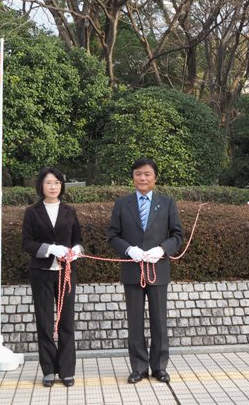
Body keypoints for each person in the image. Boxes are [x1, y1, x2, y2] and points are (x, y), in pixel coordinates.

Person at [107, 158, 183, 384]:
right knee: (135, 321)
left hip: (158, 270)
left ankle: (159, 367)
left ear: (155, 178)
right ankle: (139, 368)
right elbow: (113, 235)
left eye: (147, 174)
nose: (143, 178)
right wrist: (129, 250)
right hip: (132, 270)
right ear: (133, 177)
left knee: (159, 321)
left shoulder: (167, 203)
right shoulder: (122, 204)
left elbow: (177, 235)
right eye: (138, 174)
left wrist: (162, 249)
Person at [21, 167, 84, 388]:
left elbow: (78, 239)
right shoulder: (32, 212)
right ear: (41, 186)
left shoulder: (70, 211)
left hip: (66, 273)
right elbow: (26, 242)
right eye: (49, 182)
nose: (53, 186)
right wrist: (49, 249)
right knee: (45, 322)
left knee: (66, 321)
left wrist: (76, 250)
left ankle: (67, 370)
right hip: (41, 273)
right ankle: (48, 369)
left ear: (62, 186)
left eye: (57, 182)